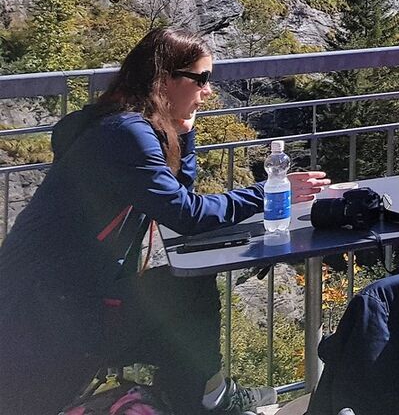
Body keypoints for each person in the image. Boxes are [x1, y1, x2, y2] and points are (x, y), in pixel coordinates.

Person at [0, 27, 329, 415]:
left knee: (183, 293)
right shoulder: (126, 133)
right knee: (187, 297)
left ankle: (201, 395)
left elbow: (176, 193)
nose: (208, 91)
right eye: (201, 79)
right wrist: (270, 191)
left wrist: (184, 136)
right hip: (54, 308)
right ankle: (204, 399)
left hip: (47, 294)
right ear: (164, 79)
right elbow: (186, 213)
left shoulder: (111, 121)